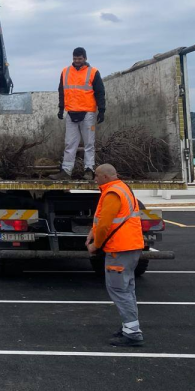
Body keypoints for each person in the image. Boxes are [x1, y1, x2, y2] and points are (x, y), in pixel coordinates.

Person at [87, 164, 145, 347]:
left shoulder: (112, 193)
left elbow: (105, 225)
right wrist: (92, 232)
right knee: (127, 289)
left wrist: (95, 245)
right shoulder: (122, 188)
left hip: (119, 248)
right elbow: (103, 220)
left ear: (105, 176)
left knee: (119, 290)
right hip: (130, 246)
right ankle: (130, 327)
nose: (95, 179)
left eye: (96, 176)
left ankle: (132, 333)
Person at [49, 47, 105, 181]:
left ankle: (89, 170)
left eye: (79, 59)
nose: (77, 61)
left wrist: (102, 110)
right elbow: (62, 91)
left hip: (87, 113)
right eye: (75, 59)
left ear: (85, 58)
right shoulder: (65, 72)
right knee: (70, 143)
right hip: (71, 112)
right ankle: (66, 171)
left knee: (89, 143)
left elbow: (100, 92)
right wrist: (61, 108)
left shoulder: (93, 72)